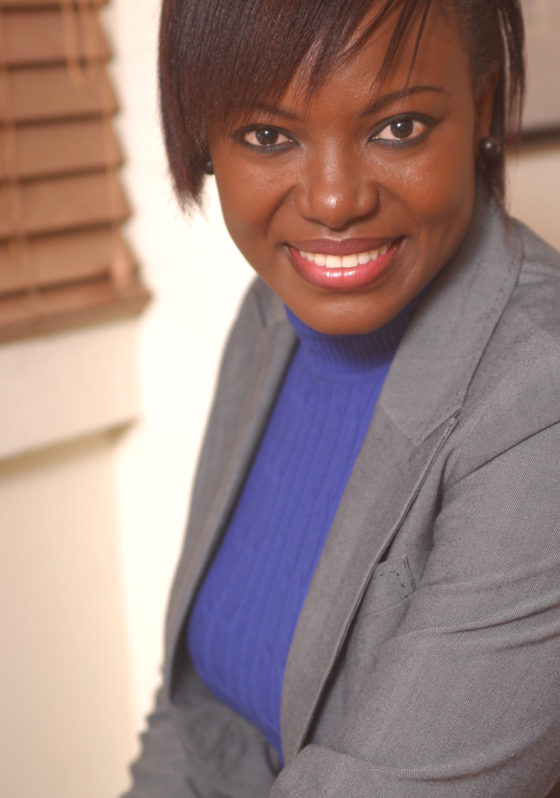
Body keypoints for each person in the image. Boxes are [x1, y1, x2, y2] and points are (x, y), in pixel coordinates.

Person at [124, 1, 560, 795]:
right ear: (206, 138)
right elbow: (195, 719)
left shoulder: (540, 403)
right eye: (268, 135)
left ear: (483, 107)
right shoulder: (272, 317)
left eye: (399, 128)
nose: (333, 201)